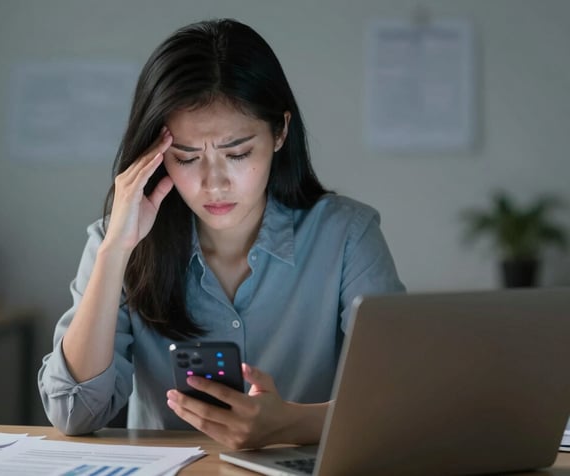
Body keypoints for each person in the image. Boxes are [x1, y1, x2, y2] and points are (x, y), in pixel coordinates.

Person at [38, 18, 405, 450]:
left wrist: (291, 424)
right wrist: (116, 250)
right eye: (187, 158)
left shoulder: (347, 235)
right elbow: (73, 413)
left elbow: (401, 402)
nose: (214, 183)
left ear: (281, 132)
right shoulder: (117, 240)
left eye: (238, 153)